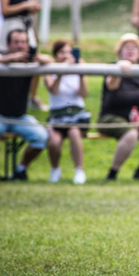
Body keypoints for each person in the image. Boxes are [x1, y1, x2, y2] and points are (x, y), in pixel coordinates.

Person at [0, 29, 52, 180]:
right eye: (16, 42)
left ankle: (21, 170)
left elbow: (50, 60)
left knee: (41, 137)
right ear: (8, 44)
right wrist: (10, 59)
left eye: (23, 42)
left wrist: (37, 58)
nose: (20, 46)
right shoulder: (0, 57)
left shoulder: (30, 62)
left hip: (20, 117)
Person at [99, 33, 139, 180]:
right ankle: (112, 173)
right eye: (127, 47)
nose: (131, 50)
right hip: (111, 116)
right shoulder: (113, 68)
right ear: (120, 52)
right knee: (131, 134)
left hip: (136, 117)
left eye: (135, 48)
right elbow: (111, 85)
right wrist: (118, 69)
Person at [45, 39, 90, 184]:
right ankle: (55, 169)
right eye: (62, 52)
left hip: (76, 114)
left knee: (74, 132)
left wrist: (81, 73)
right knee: (54, 141)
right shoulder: (50, 70)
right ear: (55, 54)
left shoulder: (78, 69)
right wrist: (62, 71)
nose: (66, 55)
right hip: (57, 115)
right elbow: (54, 90)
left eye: (69, 52)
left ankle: (79, 170)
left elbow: (84, 94)